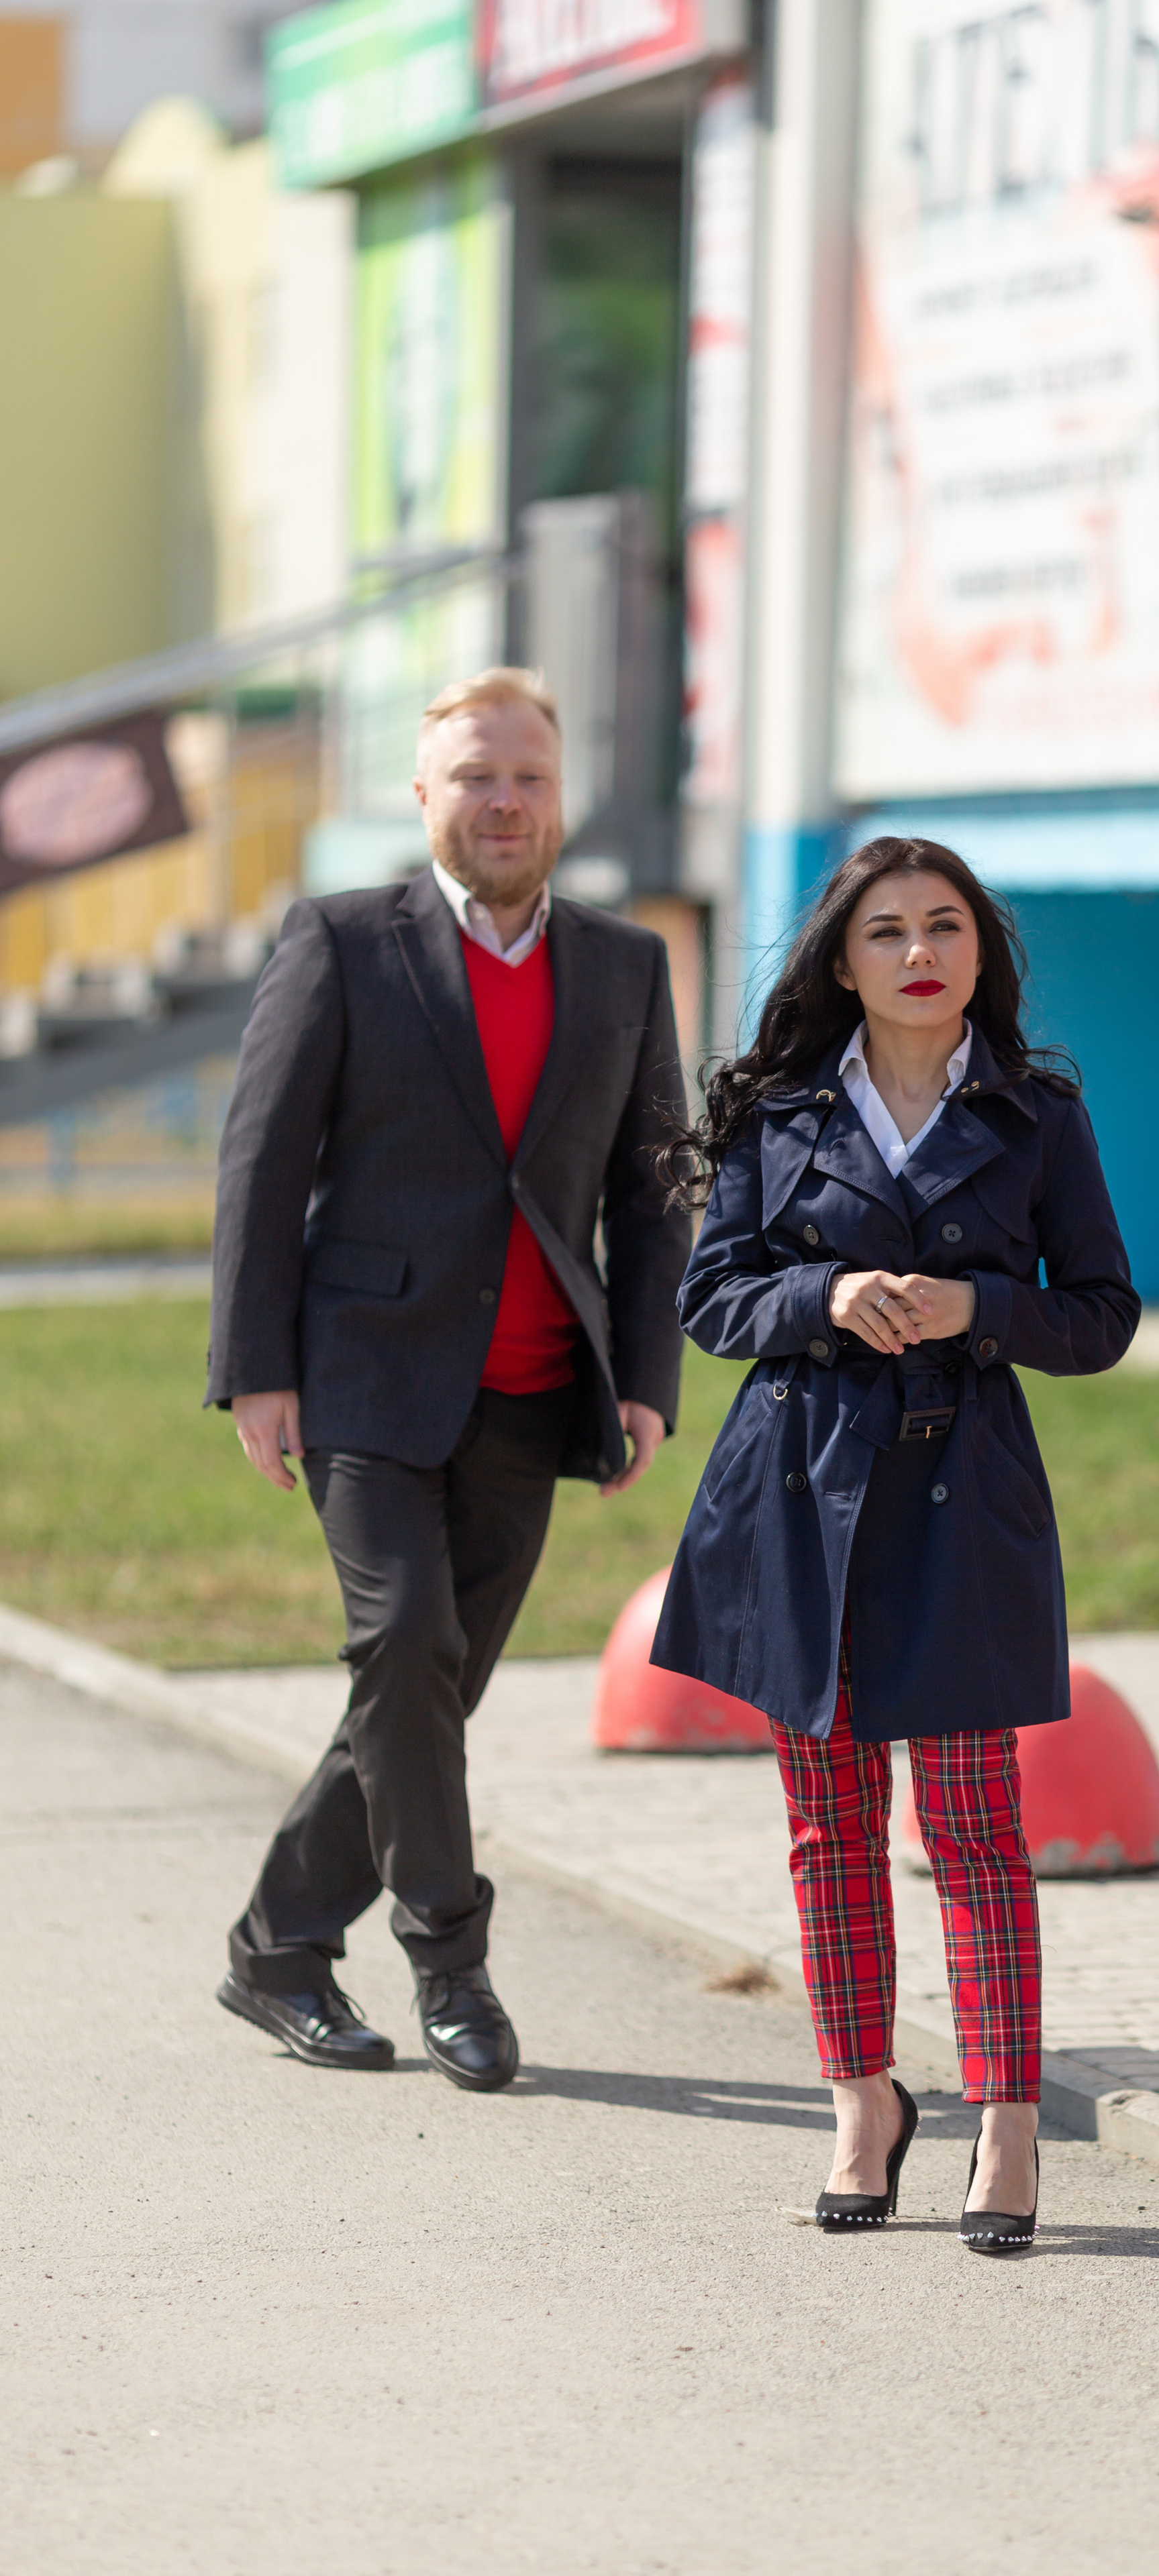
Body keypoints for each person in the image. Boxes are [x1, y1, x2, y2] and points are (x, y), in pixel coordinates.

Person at [652, 837, 1140, 2250]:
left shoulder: (1037, 1115)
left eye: (945, 926)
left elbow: (1099, 1314)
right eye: (886, 930)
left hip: (963, 1494)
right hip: (797, 1496)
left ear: (980, 951)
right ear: (841, 957)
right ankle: (861, 2103)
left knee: (976, 1827)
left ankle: (1005, 2126)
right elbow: (712, 1299)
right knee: (829, 1826)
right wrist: (832, 1292)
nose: (919, 952)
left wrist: (977, 1313)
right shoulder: (778, 1109)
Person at [206, 667, 689, 2091]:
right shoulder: (342, 943)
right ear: (423, 796)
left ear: (559, 796)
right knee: (402, 1644)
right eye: (474, 775)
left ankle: (279, 1945)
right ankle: (450, 1960)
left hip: (533, 1386)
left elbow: (653, 1191)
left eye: (526, 777)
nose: (502, 801)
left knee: (421, 1694)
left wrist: (643, 1376)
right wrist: (254, 1370)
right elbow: (263, 1160)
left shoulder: (622, 963)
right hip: (362, 1374)